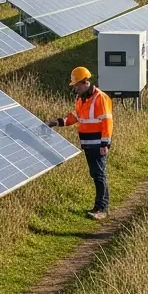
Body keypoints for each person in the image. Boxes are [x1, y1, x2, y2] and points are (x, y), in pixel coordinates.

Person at [47, 66, 113, 220]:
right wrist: (58, 122)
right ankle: (99, 207)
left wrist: (105, 144)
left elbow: (107, 122)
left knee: (99, 175)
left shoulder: (100, 98)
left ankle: (102, 209)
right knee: (96, 174)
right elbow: (76, 116)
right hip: (87, 144)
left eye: (76, 85)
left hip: (98, 145)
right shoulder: (80, 99)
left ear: (85, 82)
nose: (75, 88)